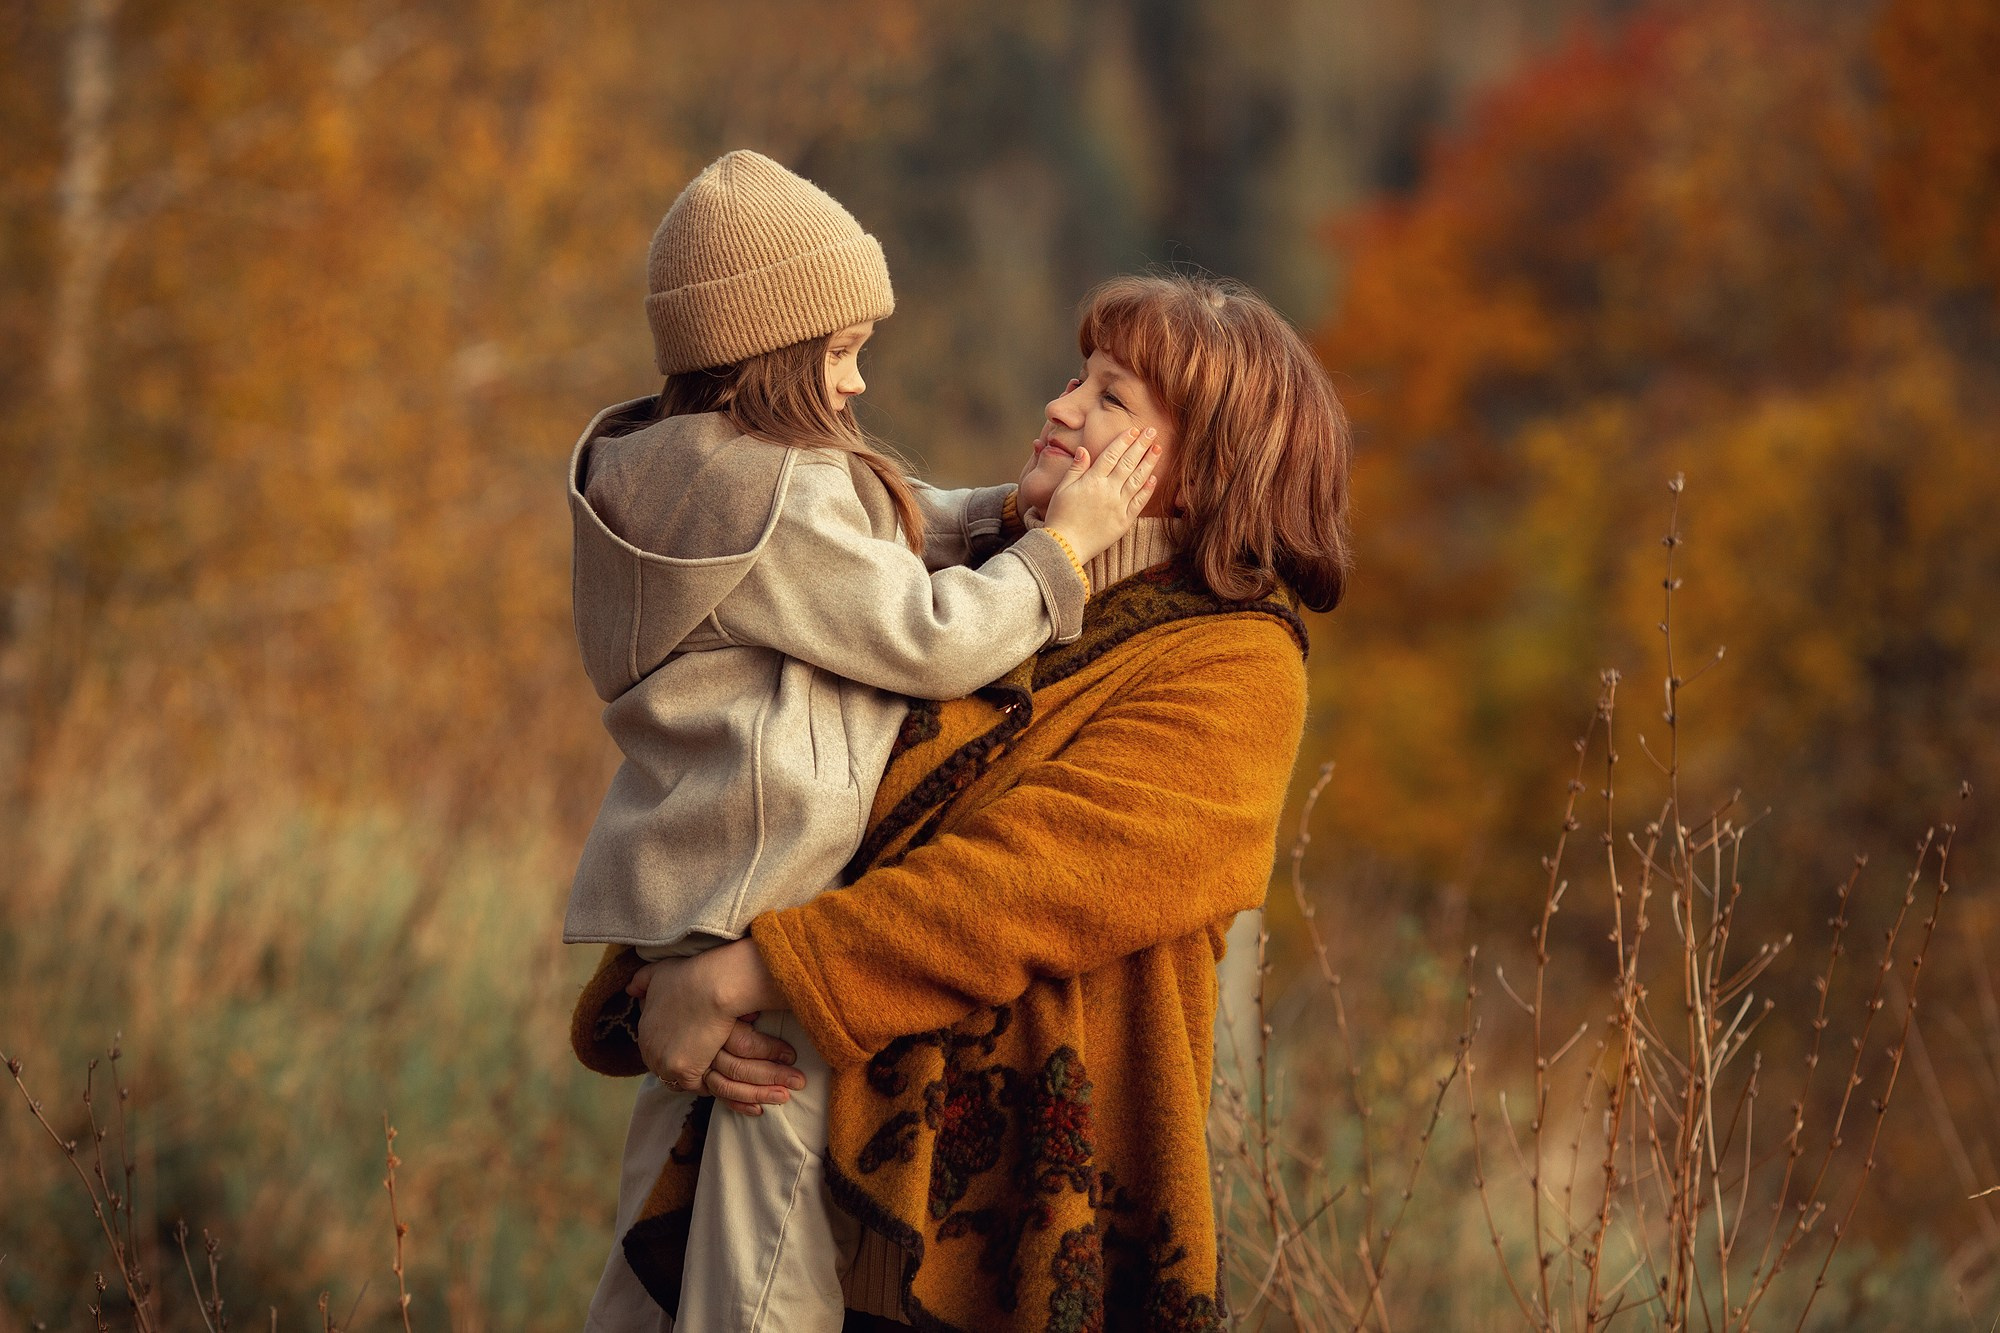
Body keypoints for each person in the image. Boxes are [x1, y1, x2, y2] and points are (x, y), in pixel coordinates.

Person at [572, 270, 1353, 1332]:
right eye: (1075, 377)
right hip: (809, 1101)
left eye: (1110, 398)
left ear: (1208, 458)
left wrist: (745, 974)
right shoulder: (982, 591)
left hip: (1001, 1176)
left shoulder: (1234, 666)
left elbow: (1027, 887)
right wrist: (661, 986)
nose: (1061, 405)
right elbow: (776, 782)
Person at [565, 150, 1161, 1333]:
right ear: (768, 356)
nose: (856, 379)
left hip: (693, 885)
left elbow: (881, 514)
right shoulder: (773, 497)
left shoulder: (683, 471)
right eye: (838, 352)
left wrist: (1004, 511)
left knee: (658, 1253)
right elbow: (929, 634)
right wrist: (1062, 552)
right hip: (767, 898)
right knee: (763, 1266)